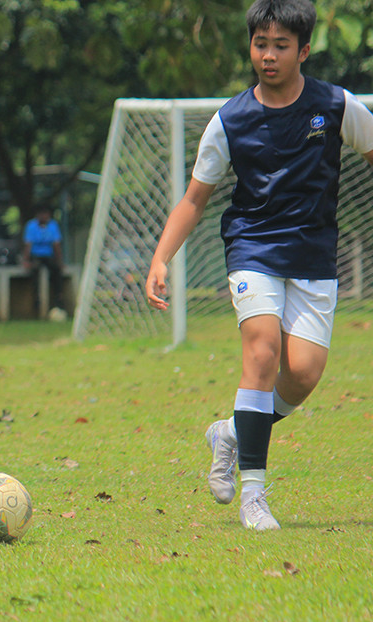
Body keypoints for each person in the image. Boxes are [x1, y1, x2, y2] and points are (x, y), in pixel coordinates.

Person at [145, 0, 373, 531]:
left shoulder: (338, 107)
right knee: (263, 349)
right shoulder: (230, 121)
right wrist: (161, 257)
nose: (268, 56)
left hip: (314, 256)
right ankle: (254, 495)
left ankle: (230, 431)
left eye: (280, 45)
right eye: (260, 44)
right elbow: (194, 200)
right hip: (254, 248)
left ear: (304, 50)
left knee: (303, 376)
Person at [22, 205, 67, 315]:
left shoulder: (52, 225)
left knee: (56, 272)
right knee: (35, 271)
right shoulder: (31, 225)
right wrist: (26, 260)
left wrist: (60, 261)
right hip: (36, 256)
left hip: (48, 256)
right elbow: (28, 244)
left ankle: (58, 299)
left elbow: (56, 245)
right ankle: (36, 303)